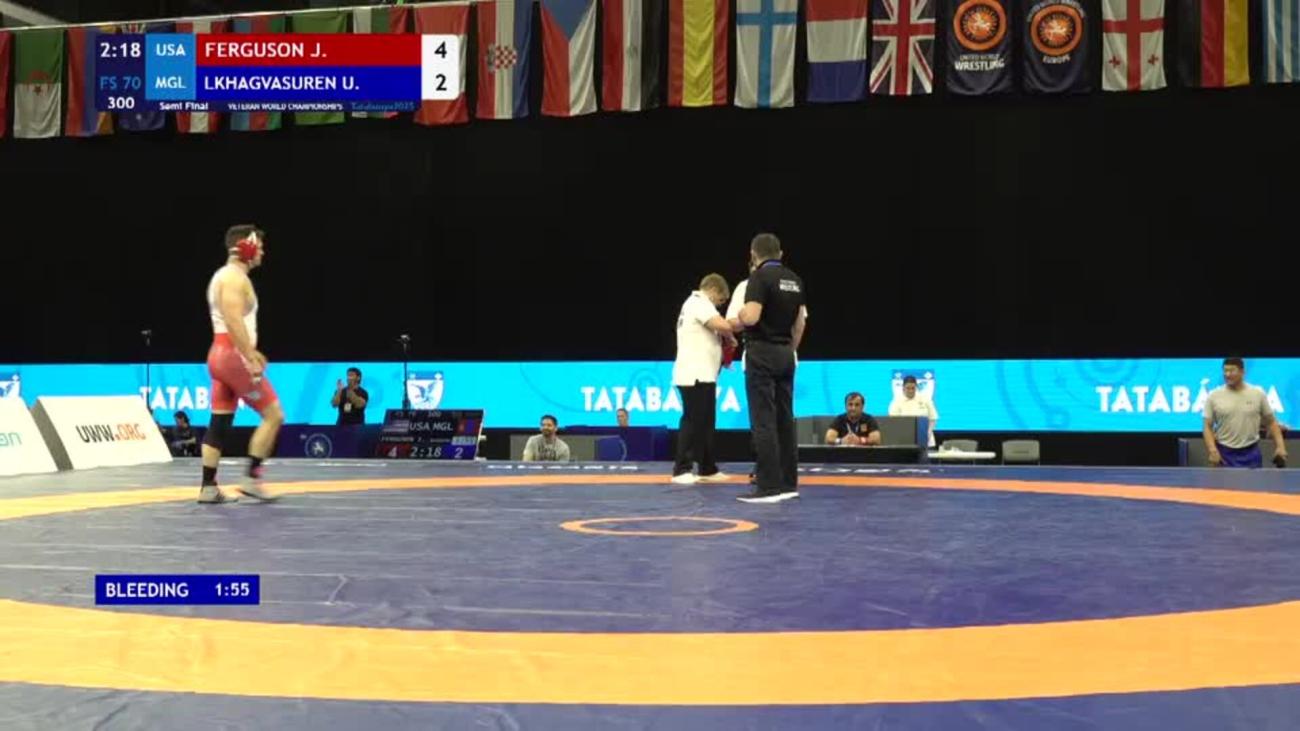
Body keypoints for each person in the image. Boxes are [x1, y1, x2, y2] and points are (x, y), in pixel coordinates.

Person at [199, 225, 285, 503]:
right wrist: (249, 355)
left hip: (219, 354)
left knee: (220, 421)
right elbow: (232, 317)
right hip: (233, 356)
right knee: (274, 415)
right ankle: (251, 479)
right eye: (259, 246)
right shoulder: (234, 278)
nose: (262, 252)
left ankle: (208, 487)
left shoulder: (222, 276)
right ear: (245, 247)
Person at [732, 233, 807, 503]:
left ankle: (768, 487)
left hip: (761, 352)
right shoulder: (795, 280)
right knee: (785, 420)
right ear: (781, 253)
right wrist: (789, 348)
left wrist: (740, 315)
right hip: (786, 352)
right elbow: (799, 324)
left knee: (763, 420)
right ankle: (788, 484)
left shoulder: (759, 278)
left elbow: (752, 316)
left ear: (753, 254)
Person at [671, 274, 737, 484]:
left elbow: (717, 331)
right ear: (714, 290)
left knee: (706, 423)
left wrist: (727, 341)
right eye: (721, 300)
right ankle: (681, 469)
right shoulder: (698, 302)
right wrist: (739, 323)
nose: (720, 305)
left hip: (704, 375)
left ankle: (707, 468)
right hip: (694, 374)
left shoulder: (698, 305)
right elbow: (723, 325)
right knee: (692, 420)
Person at [1203, 357, 1287, 468]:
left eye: (1232, 371)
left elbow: (1271, 422)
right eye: (1225, 371)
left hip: (1251, 453)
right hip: (1224, 454)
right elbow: (1207, 426)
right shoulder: (1213, 396)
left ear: (1242, 372)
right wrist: (1212, 450)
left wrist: (1280, 447)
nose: (1227, 374)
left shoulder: (1258, 393)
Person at [888, 375, 939, 447]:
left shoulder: (925, 399)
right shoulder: (896, 402)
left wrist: (928, 433)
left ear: (916, 388)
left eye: (913, 388)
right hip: (904, 441)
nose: (911, 391)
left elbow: (933, 418)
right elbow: (894, 422)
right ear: (903, 388)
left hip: (926, 440)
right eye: (908, 388)